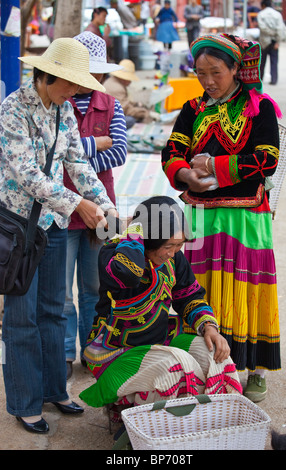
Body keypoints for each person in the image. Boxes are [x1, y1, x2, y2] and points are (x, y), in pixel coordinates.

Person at [0, 37, 117, 434]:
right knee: (21, 318)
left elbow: (78, 163)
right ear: (46, 75)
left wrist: (105, 204)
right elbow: (26, 174)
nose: (76, 90)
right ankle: (25, 402)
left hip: (51, 224)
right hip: (17, 228)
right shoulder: (13, 109)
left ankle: (54, 389)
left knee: (53, 310)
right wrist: (77, 205)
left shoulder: (64, 110)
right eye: (69, 82)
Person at [161, 34, 283, 403]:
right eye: (201, 73)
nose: (208, 81)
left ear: (236, 69)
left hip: (244, 215)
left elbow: (267, 158)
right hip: (199, 214)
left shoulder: (258, 108)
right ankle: (205, 367)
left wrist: (215, 165)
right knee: (197, 287)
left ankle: (255, 368)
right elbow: (172, 150)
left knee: (246, 289)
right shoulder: (193, 107)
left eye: (216, 72)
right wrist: (185, 175)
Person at [79, 196, 242, 414]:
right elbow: (129, 274)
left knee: (215, 356)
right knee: (176, 366)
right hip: (116, 352)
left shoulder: (174, 259)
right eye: (168, 246)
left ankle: (212, 422)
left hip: (161, 340)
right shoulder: (113, 255)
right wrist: (135, 229)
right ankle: (142, 425)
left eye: (179, 245)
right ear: (147, 238)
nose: (173, 253)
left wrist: (209, 328)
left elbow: (190, 297)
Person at [63, 32, 127, 379]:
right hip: (61, 210)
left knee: (95, 288)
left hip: (104, 210)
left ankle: (92, 350)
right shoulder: (60, 103)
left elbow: (119, 152)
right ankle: (64, 355)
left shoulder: (111, 104)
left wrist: (77, 150)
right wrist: (94, 143)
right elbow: (54, 155)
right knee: (60, 293)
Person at [103, 59, 156, 129]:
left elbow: (124, 102)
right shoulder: (118, 88)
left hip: (107, 114)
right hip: (107, 119)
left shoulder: (112, 81)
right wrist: (146, 113)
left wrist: (135, 104)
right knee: (130, 120)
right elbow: (126, 110)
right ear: (124, 78)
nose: (130, 82)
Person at [257, 0, 286, 85]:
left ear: (263, 5)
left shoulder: (261, 14)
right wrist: (278, 41)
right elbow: (280, 29)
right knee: (274, 61)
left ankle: (260, 79)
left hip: (264, 41)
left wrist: (270, 32)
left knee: (262, 62)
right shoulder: (277, 14)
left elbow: (262, 27)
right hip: (274, 41)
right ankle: (274, 79)